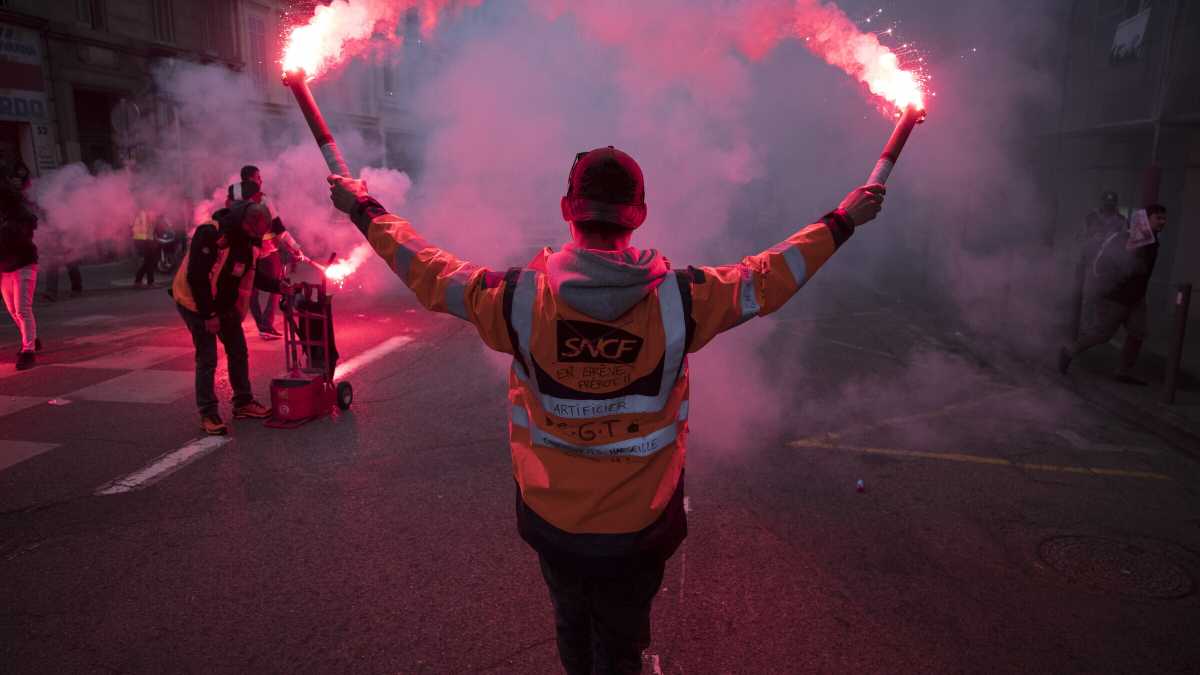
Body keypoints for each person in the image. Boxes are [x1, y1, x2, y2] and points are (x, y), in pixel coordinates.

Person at [327, 146, 885, 674]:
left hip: (553, 520)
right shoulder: (684, 299)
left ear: (568, 209)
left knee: (572, 625)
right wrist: (842, 221)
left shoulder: (517, 298)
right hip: (638, 526)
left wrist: (363, 207)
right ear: (638, 214)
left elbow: (427, 269)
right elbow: (767, 279)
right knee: (621, 642)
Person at [171, 180, 280, 435]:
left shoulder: (247, 240)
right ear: (245, 223)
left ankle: (243, 403)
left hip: (222, 302)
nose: (257, 238)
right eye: (255, 232)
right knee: (207, 358)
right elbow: (197, 278)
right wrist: (208, 315)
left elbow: (251, 274)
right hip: (195, 302)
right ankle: (208, 414)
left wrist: (279, 286)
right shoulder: (211, 233)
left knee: (238, 351)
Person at [1059, 204, 1168, 385]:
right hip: (1118, 296)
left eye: (1164, 219)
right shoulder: (1137, 235)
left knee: (1138, 333)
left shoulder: (1152, 238)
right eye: (1159, 218)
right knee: (1103, 334)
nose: (1163, 222)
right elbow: (1128, 262)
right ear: (1147, 219)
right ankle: (1069, 351)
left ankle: (1123, 371)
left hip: (1136, 297)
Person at [240, 165, 309, 340]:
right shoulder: (263, 201)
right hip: (267, 252)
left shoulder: (235, 201)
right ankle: (266, 325)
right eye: (258, 177)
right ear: (250, 179)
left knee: (251, 289)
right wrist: (296, 247)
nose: (261, 180)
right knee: (277, 287)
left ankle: (262, 325)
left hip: (248, 253)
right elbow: (279, 229)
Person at [0, 165, 40, 370]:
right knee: (13, 310)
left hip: (23, 263)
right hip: (5, 266)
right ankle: (32, 337)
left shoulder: (19, 213)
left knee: (23, 309)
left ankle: (28, 351)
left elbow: (20, 237)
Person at [132, 208, 158, 287]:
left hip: (144, 240)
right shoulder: (145, 214)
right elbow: (147, 228)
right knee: (150, 261)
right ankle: (150, 282)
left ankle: (138, 281)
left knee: (148, 262)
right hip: (144, 240)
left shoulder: (142, 213)